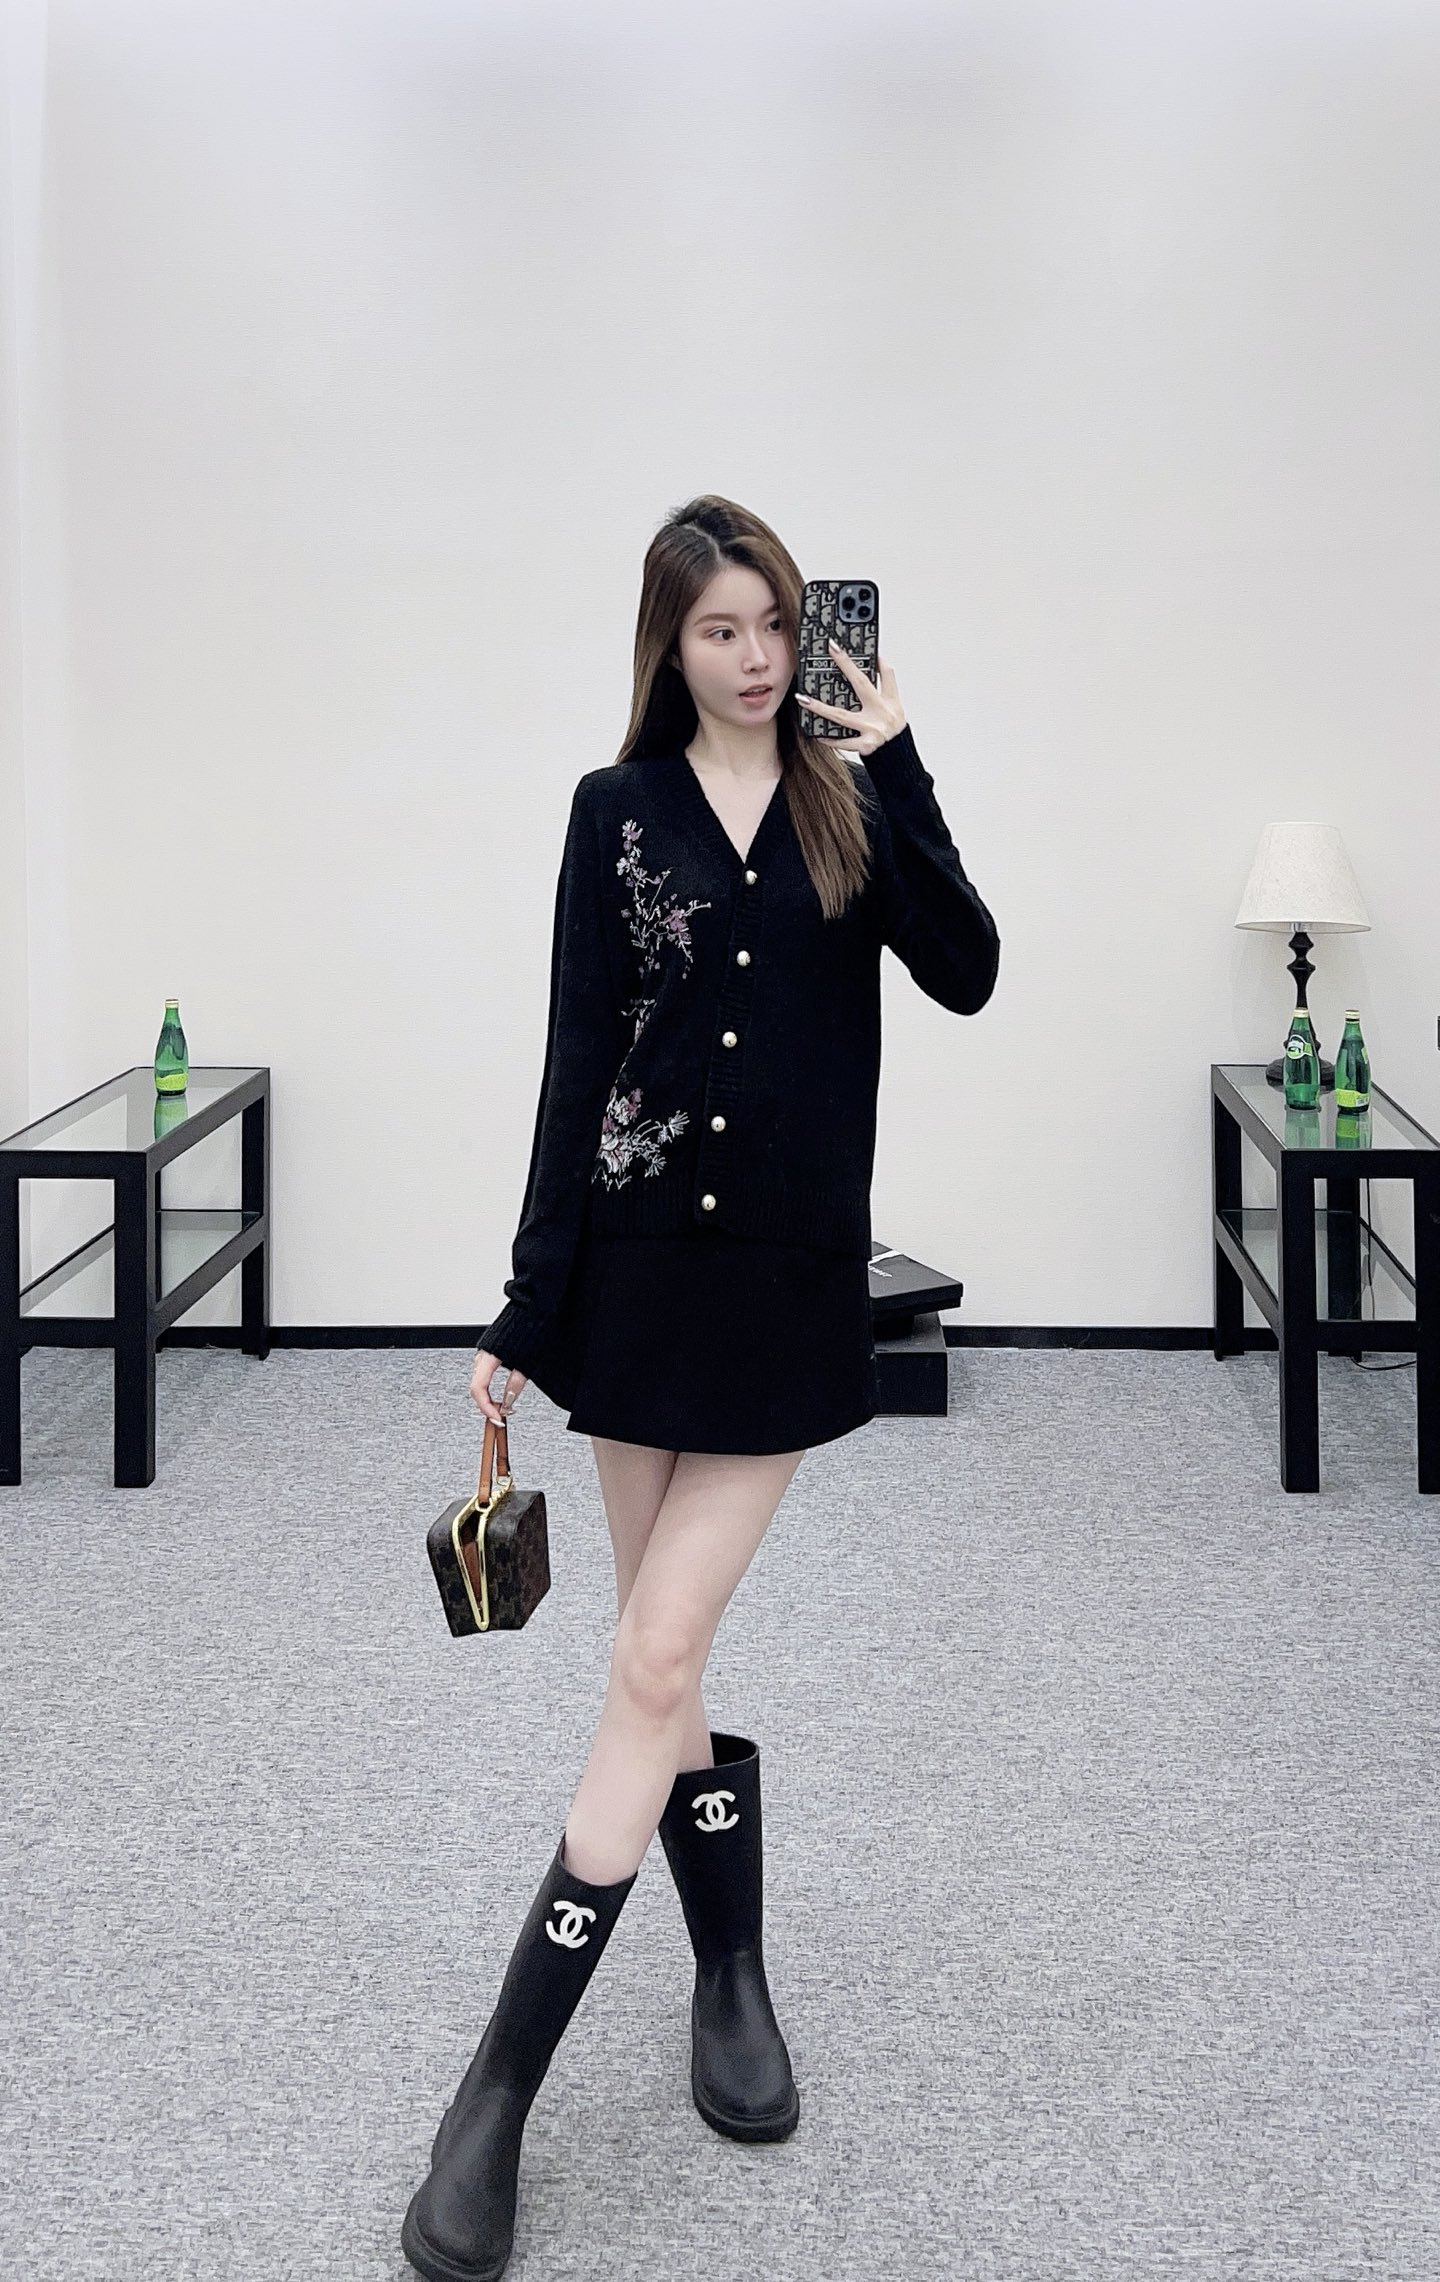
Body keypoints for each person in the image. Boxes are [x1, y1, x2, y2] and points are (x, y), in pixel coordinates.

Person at [401, 495, 1001, 2282]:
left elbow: (969, 971)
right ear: (669, 643)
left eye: (776, 624)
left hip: (782, 1300)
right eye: (720, 627)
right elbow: (576, 1060)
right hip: (634, 1289)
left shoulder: (848, 806)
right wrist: (528, 1305)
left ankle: (494, 2095)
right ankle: (730, 1970)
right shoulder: (616, 812)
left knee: (654, 1653)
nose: (753, 656)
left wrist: (899, 758)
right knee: (667, 1663)